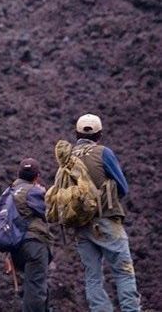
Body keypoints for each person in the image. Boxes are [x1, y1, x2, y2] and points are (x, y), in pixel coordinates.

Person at [72, 113, 141, 312]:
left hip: (81, 225)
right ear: (99, 135)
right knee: (123, 271)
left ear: (76, 134)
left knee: (92, 276)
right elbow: (123, 187)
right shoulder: (103, 153)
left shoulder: (68, 158)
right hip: (106, 220)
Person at [7, 158, 52, 312]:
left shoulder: (10, 192)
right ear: (37, 176)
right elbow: (50, 213)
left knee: (34, 285)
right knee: (36, 290)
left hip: (15, 247)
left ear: (19, 174)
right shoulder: (33, 191)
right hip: (34, 245)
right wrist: (44, 193)